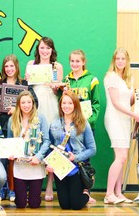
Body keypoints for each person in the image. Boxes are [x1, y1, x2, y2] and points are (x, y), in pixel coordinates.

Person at [25, 36, 63, 201]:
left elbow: (58, 90)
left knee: (53, 143)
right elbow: (28, 87)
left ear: (52, 50)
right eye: (42, 48)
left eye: (48, 48)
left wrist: (56, 86)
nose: (45, 51)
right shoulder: (30, 64)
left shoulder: (57, 66)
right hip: (35, 104)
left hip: (51, 105)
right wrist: (27, 79)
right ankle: (32, 185)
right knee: (34, 140)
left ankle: (49, 184)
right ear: (38, 49)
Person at [0, 54, 38, 202]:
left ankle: (13, 189)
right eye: (6, 66)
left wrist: (17, 110)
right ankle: (3, 188)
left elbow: (35, 103)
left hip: (21, 128)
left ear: (17, 67)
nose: (9, 69)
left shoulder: (24, 84)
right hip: (2, 126)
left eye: (12, 66)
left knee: (16, 160)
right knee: (4, 159)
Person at [61, 49, 100, 203]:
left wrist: (88, 122)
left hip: (86, 126)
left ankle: (87, 190)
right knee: (71, 154)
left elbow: (96, 104)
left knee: (86, 159)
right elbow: (63, 102)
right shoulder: (66, 80)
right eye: (72, 61)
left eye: (78, 61)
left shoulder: (92, 79)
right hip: (71, 126)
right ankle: (73, 188)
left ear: (83, 62)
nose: (75, 64)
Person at [48, 90, 96, 210]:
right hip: (60, 169)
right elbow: (49, 146)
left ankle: (86, 192)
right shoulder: (54, 124)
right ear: (60, 105)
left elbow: (92, 149)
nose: (66, 106)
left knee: (75, 205)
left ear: (75, 105)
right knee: (64, 205)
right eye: (64, 103)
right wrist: (48, 164)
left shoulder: (83, 123)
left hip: (76, 169)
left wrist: (76, 157)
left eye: (70, 103)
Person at [104, 48, 137, 204]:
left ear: (127, 61)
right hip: (114, 118)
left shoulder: (128, 79)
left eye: (123, 58)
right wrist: (135, 115)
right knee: (121, 157)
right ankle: (108, 194)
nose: (120, 61)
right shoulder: (111, 77)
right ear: (114, 60)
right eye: (117, 58)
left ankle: (118, 192)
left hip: (125, 120)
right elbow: (116, 103)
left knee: (121, 158)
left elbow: (130, 101)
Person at [7, 90, 50, 208]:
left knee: (34, 204)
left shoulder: (41, 118)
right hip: (19, 167)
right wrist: (10, 153)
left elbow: (47, 141)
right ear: (19, 105)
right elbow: (9, 141)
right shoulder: (13, 120)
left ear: (33, 103)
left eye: (29, 102)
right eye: (23, 103)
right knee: (20, 204)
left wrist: (38, 156)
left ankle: (35, 196)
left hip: (35, 165)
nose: (26, 105)